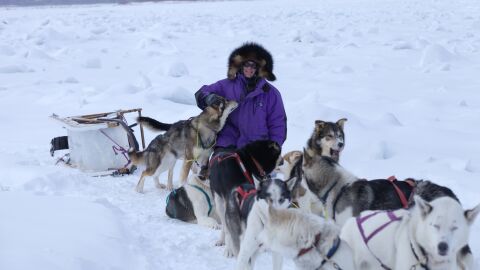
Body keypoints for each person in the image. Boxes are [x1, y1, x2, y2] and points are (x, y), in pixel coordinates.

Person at [194, 42, 287, 157]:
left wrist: (273, 149)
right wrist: (209, 98)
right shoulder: (227, 85)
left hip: (258, 148)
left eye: (254, 66)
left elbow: (278, 124)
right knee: (223, 171)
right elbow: (201, 93)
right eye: (246, 65)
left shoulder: (271, 94)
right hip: (228, 143)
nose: (249, 69)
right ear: (240, 66)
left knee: (253, 174)